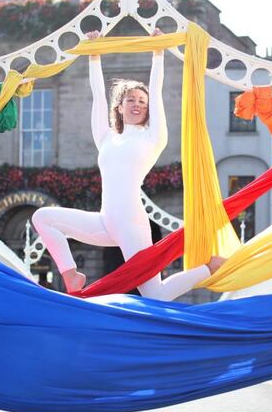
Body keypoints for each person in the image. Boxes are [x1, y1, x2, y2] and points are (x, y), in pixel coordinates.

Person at [32, 29, 224, 300]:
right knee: (42, 217)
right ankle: (70, 274)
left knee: (154, 295)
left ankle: (209, 268)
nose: (137, 105)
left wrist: (158, 52)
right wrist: (93, 54)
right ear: (119, 107)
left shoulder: (153, 137)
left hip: (131, 223)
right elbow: (98, 96)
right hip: (104, 220)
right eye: (130, 100)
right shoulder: (106, 137)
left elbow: (155, 91)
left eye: (142, 102)